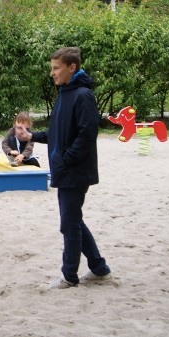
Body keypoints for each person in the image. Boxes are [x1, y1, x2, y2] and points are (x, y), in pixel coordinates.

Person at [17, 47, 111, 289]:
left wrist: (68, 158)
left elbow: (88, 133)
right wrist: (32, 136)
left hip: (75, 171)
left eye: (56, 68)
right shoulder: (64, 94)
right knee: (74, 221)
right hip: (65, 170)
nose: (52, 73)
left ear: (72, 67)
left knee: (69, 224)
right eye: (52, 68)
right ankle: (99, 269)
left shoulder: (83, 96)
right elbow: (58, 133)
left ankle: (69, 276)